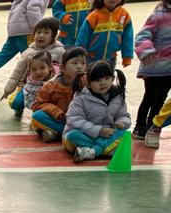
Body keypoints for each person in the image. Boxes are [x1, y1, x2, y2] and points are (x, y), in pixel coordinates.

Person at [62, 59, 131, 161]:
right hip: (85, 134)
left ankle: (92, 151)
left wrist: (122, 122)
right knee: (72, 136)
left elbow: (123, 115)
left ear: (112, 79)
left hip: (106, 135)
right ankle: (106, 148)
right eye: (97, 80)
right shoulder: (81, 98)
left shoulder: (118, 97)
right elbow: (74, 120)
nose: (103, 83)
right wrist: (99, 131)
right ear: (89, 83)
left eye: (106, 78)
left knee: (123, 132)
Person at [0, 17, 64, 118]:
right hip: (30, 86)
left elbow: (67, 70)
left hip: (52, 89)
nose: (41, 35)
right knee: (15, 103)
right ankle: (19, 108)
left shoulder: (60, 52)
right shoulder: (29, 53)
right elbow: (17, 72)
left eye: (46, 32)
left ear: (54, 35)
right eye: (38, 32)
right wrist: (8, 90)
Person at [0, 0, 47, 83]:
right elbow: (33, 9)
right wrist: (40, 28)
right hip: (26, 31)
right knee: (31, 55)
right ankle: (31, 78)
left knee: (5, 53)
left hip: (14, 30)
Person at [132, 0, 171, 143]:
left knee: (161, 99)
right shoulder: (158, 15)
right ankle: (139, 126)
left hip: (169, 69)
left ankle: (151, 126)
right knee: (150, 97)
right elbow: (141, 36)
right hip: (153, 66)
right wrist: (146, 50)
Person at [30, 45, 88, 139]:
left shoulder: (87, 82)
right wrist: (56, 112)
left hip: (80, 120)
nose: (79, 66)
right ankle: (70, 134)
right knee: (37, 116)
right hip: (59, 120)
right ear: (62, 67)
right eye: (75, 63)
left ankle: (55, 134)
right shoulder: (50, 86)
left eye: (83, 63)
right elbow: (38, 105)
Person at [75, 0, 134, 67]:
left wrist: (127, 57)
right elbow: (82, 37)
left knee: (108, 73)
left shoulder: (124, 15)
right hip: (91, 58)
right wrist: (79, 56)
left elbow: (128, 37)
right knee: (91, 73)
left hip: (111, 58)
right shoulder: (93, 16)